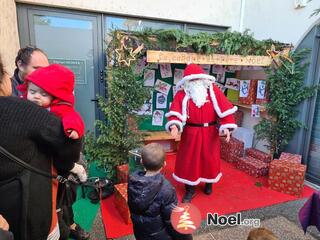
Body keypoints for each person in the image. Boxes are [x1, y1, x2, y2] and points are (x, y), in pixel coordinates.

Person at [0, 56, 85, 239]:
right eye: (37, 67)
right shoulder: (24, 109)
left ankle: (69, 222)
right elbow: (69, 153)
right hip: (32, 215)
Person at [166, 64, 237, 203]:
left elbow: (224, 110)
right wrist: (174, 125)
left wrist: (227, 127)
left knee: (209, 159)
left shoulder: (213, 91)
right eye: (192, 80)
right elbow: (175, 112)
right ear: (187, 81)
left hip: (210, 132)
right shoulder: (182, 94)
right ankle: (190, 189)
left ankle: (208, 183)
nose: (195, 82)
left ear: (203, 79)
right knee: (189, 161)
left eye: (197, 79)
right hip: (191, 133)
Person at [128, 143, 193, 240]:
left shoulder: (132, 182)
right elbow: (172, 220)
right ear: (164, 164)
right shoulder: (166, 189)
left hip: (141, 234)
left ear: (141, 161)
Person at [18, 63, 85, 140]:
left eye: (43, 94)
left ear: (54, 98)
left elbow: (73, 117)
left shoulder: (60, 109)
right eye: (32, 92)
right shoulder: (22, 102)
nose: (36, 96)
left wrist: (73, 129)